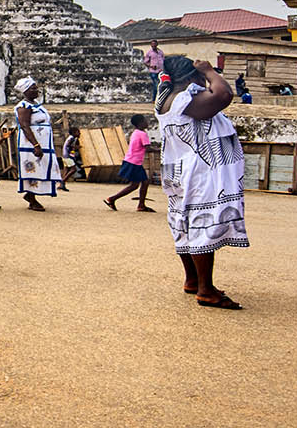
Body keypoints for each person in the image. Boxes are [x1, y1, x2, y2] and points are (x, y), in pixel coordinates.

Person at [157, 56, 246, 310]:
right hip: (199, 172)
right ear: (191, 78)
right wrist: (208, 70)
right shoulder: (186, 101)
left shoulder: (166, 98)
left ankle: (192, 279)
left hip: (180, 169)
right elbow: (223, 94)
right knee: (201, 225)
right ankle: (206, 290)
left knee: (184, 223)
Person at [13, 77, 60, 210]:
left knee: (43, 168)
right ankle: (32, 199)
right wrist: (35, 145)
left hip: (44, 143)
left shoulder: (36, 105)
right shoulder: (23, 107)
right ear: (25, 91)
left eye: (36, 87)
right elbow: (24, 125)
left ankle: (30, 194)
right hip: (31, 144)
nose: (36, 90)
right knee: (33, 170)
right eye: (33, 88)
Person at [104, 115, 155, 212]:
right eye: (145, 121)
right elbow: (148, 148)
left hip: (131, 161)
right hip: (134, 163)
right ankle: (113, 199)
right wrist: (161, 150)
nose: (147, 123)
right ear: (140, 123)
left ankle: (140, 204)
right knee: (138, 184)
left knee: (141, 183)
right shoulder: (143, 134)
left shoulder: (135, 133)